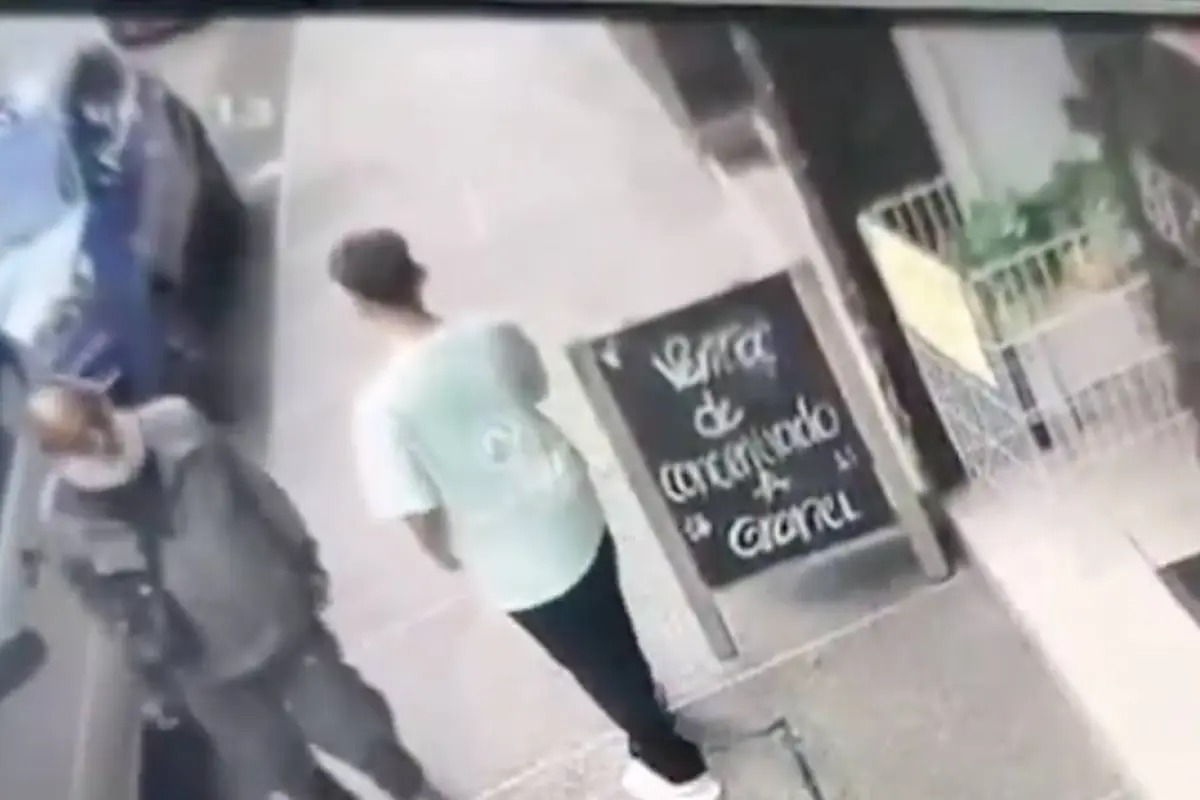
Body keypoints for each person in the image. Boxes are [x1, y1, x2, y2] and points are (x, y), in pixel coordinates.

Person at [331, 229, 723, 800]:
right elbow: (533, 390)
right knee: (610, 627)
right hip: (568, 503)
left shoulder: (381, 410)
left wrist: (440, 551)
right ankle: (650, 717)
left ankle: (677, 769)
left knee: (591, 663)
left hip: (509, 552)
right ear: (417, 276)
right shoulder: (493, 335)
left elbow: (416, 507)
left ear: (359, 304)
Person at [25, 382, 448, 800]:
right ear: (61, 460)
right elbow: (106, 607)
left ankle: (418, 793)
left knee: (355, 727)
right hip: (201, 669)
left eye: (107, 436)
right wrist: (153, 679)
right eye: (90, 449)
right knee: (278, 765)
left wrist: (303, 558)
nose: (107, 450)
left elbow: (258, 492)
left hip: (277, 618)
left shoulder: (178, 425)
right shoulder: (64, 522)